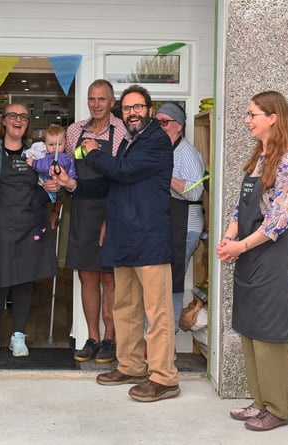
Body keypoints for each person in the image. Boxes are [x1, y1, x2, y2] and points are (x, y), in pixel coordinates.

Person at [53, 84, 180, 402]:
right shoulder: (131, 143)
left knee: (158, 313)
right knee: (126, 309)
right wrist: (73, 184)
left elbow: (122, 172)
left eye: (138, 107)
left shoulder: (156, 141)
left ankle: (164, 378)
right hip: (125, 241)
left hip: (149, 240)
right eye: (128, 108)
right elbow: (109, 184)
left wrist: (94, 151)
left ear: (149, 110)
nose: (133, 113)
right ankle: (132, 366)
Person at [216, 91, 288, 431]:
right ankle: (259, 402)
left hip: (270, 257)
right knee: (250, 331)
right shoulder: (258, 158)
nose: (247, 120)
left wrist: (240, 247)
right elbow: (240, 209)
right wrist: (228, 238)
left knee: (270, 336)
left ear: (273, 118)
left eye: (253, 114)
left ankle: (278, 410)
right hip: (248, 255)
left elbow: (278, 221)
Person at [55, 79, 127, 363]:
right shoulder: (75, 131)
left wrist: (112, 217)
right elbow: (72, 168)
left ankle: (110, 338)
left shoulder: (121, 130)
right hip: (82, 207)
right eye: (92, 99)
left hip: (112, 207)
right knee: (87, 276)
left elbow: (121, 175)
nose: (96, 104)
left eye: (102, 99)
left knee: (110, 278)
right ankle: (92, 338)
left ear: (112, 102)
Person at [0, 103, 58, 357]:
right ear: (3, 121)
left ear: (27, 122)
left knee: (24, 281)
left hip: (28, 224)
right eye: (13, 116)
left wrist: (50, 191)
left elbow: (49, 187)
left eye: (24, 117)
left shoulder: (36, 153)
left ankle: (18, 336)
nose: (18, 120)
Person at [155, 102, 205, 333]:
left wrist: (165, 176)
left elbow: (195, 192)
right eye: (157, 122)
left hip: (184, 227)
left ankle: (168, 340)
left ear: (179, 125)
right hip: (169, 225)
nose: (160, 126)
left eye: (165, 122)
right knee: (162, 283)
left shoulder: (187, 153)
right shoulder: (165, 150)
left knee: (171, 283)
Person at [24, 125, 76, 241]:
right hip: (44, 186)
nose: (54, 148)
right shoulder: (47, 155)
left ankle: (41, 227)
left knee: (35, 201)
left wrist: (33, 163)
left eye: (59, 145)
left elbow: (46, 166)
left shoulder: (62, 158)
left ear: (65, 144)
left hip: (52, 191)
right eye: (51, 145)